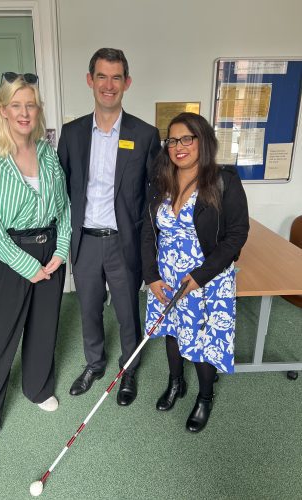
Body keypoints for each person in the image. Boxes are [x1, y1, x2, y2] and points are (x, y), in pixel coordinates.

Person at [0, 72, 71, 465]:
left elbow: (64, 206)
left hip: (50, 255)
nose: (24, 112)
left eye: (31, 104)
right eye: (16, 105)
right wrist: (27, 264)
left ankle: (38, 389)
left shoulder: (47, 152)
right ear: (3, 111)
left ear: (37, 110)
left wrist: (59, 251)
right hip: (9, 258)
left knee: (44, 330)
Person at [58, 48, 160, 406]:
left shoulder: (145, 135)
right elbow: (61, 191)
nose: (109, 85)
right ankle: (94, 363)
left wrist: (152, 249)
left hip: (123, 242)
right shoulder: (71, 135)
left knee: (127, 310)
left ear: (127, 83)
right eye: (101, 76)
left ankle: (128, 369)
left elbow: (155, 197)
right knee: (88, 307)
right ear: (90, 80)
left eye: (116, 77)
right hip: (84, 241)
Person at [141, 112, 249, 432]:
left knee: (202, 341)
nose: (178, 146)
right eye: (172, 140)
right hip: (167, 278)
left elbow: (236, 236)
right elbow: (148, 232)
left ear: (203, 141)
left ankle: (204, 396)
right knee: (173, 332)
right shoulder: (160, 182)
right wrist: (152, 276)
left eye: (187, 138)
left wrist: (200, 277)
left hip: (206, 279)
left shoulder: (223, 181)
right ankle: (176, 383)